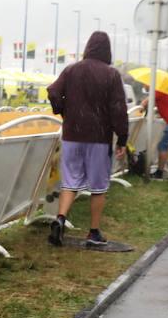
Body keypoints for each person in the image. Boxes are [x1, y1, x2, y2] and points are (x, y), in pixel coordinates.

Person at [45, 31, 129, 248]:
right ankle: (93, 232)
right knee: (98, 186)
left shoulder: (72, 70)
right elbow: (118, 109)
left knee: (70, 182)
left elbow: (53, 91)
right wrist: (122, 138)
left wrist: (64, 112)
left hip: (72, 135)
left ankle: (60, 219)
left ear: (88, 48)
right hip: (98, 138)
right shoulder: (111, 75)